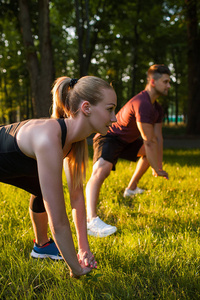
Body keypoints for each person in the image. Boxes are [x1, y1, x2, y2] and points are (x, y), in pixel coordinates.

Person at [0, 76, 117, 277]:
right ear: (86, 107)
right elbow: (59, 219)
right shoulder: (49, 139)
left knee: (42, 186)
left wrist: (83, 249)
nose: (114, 118)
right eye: (109, 109)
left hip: (10, 166)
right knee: (48, 193)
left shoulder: (73, 141)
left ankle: (42, 246)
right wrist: (76, 268)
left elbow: (77, 198)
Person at [86, 64, 171, 238]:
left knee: (149, 154)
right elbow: (148, 141)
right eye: (166, 81)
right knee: (102, 170)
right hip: (110, 136)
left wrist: (158, 164)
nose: (168, 86)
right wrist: (156, 168)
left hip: (128, 141)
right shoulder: (143, 103)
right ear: (153, 82)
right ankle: (91, 220)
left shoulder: (157, 108)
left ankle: (131, 189)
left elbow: (157, 139)